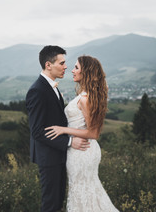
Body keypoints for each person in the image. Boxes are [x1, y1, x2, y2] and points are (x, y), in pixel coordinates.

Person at [45, 55, 119, 212]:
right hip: (81, 149)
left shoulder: (85, 99)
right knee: (85, 191)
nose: (72, 70)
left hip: (82, 150)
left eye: (76, 68)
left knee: (82, 191)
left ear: (86, 72)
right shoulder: (85, 96)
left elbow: (93, 132)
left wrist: (63, 130)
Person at [26, 45, 90, 212]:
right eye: (61, 63)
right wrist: (70, 142)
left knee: (57, 203)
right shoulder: (37, 90)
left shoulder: (50, 87)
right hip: (49, 159)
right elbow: (37, 131)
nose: (66, 66)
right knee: (51, 206)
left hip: (58, 156)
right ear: (48, 65)